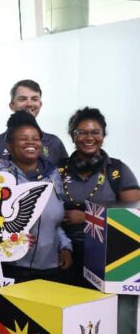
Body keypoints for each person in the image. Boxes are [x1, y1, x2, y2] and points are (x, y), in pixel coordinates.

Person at [0, 112, 74, 283]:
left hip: (50, 268)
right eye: (23, 139)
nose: (31, 142)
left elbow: (55, 221)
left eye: (36, 139)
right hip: (8, 268)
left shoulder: (53, 175)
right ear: (9, 146)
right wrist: (9, 236)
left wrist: (65, 247)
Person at [58, 107, 140, 286]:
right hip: (62, 252)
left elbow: (134, 220)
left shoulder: (117, 171)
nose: (89, 138)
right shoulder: (58, 169)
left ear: (103, 136)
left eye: (96, 132)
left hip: (107, 255)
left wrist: (87, 217)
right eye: (82, 132)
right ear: (73, 136)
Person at [0, 80, 67, 166]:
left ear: (40, 104)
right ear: (12, 105)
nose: (29, 104)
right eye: (22, 99)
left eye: (34, 99)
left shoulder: (54, 143)